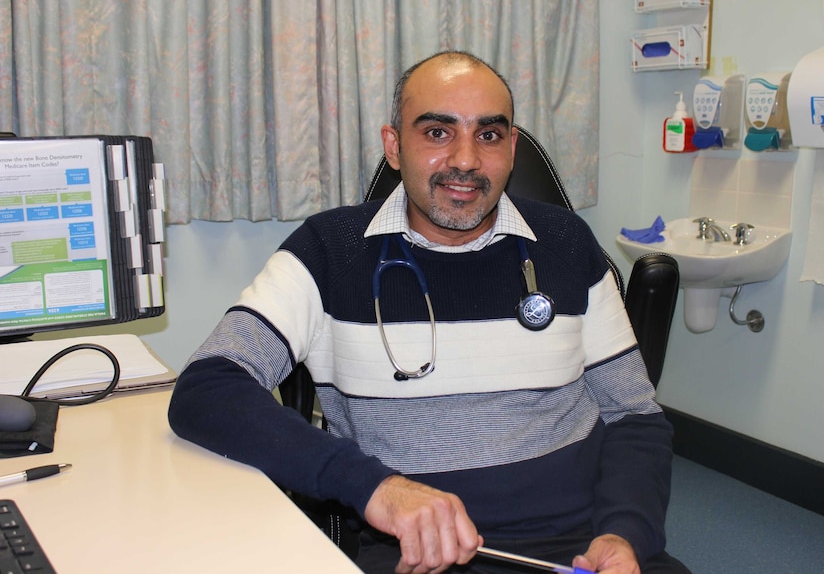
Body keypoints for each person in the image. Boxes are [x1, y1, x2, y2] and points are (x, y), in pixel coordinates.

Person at [168, 51, 689, 574]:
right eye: (438, 133)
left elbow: (635, 417)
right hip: (417, 558)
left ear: (510, 147)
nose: (465, 160)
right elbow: (208, 387)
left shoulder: (566, 244)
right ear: (394, 146)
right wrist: (376, 488)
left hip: (581, 549)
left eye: (488, 135)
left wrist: (624, 535)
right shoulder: (329, 251)